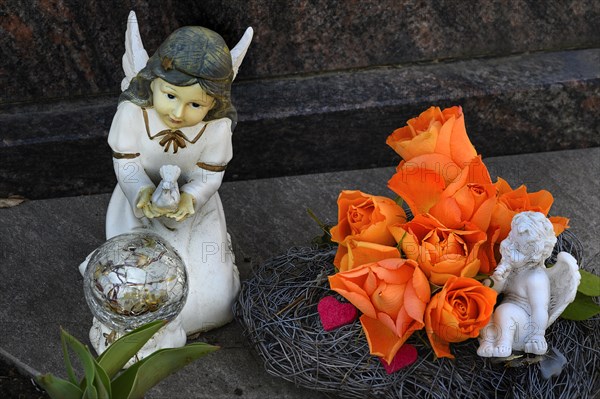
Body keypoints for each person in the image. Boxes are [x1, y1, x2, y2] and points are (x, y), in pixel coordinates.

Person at [104, 26, 240, 339]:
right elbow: (127, 163)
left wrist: (192, 196)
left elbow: (209, 174)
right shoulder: (132, 114)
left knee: (216, 301)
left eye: (195, 105)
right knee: (143, 287)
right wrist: (141, 192)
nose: (178, 113)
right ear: (152, 83)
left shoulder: (216, 128)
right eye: (170, 96)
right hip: (141, 207)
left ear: (213, 103)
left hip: (194, 211)